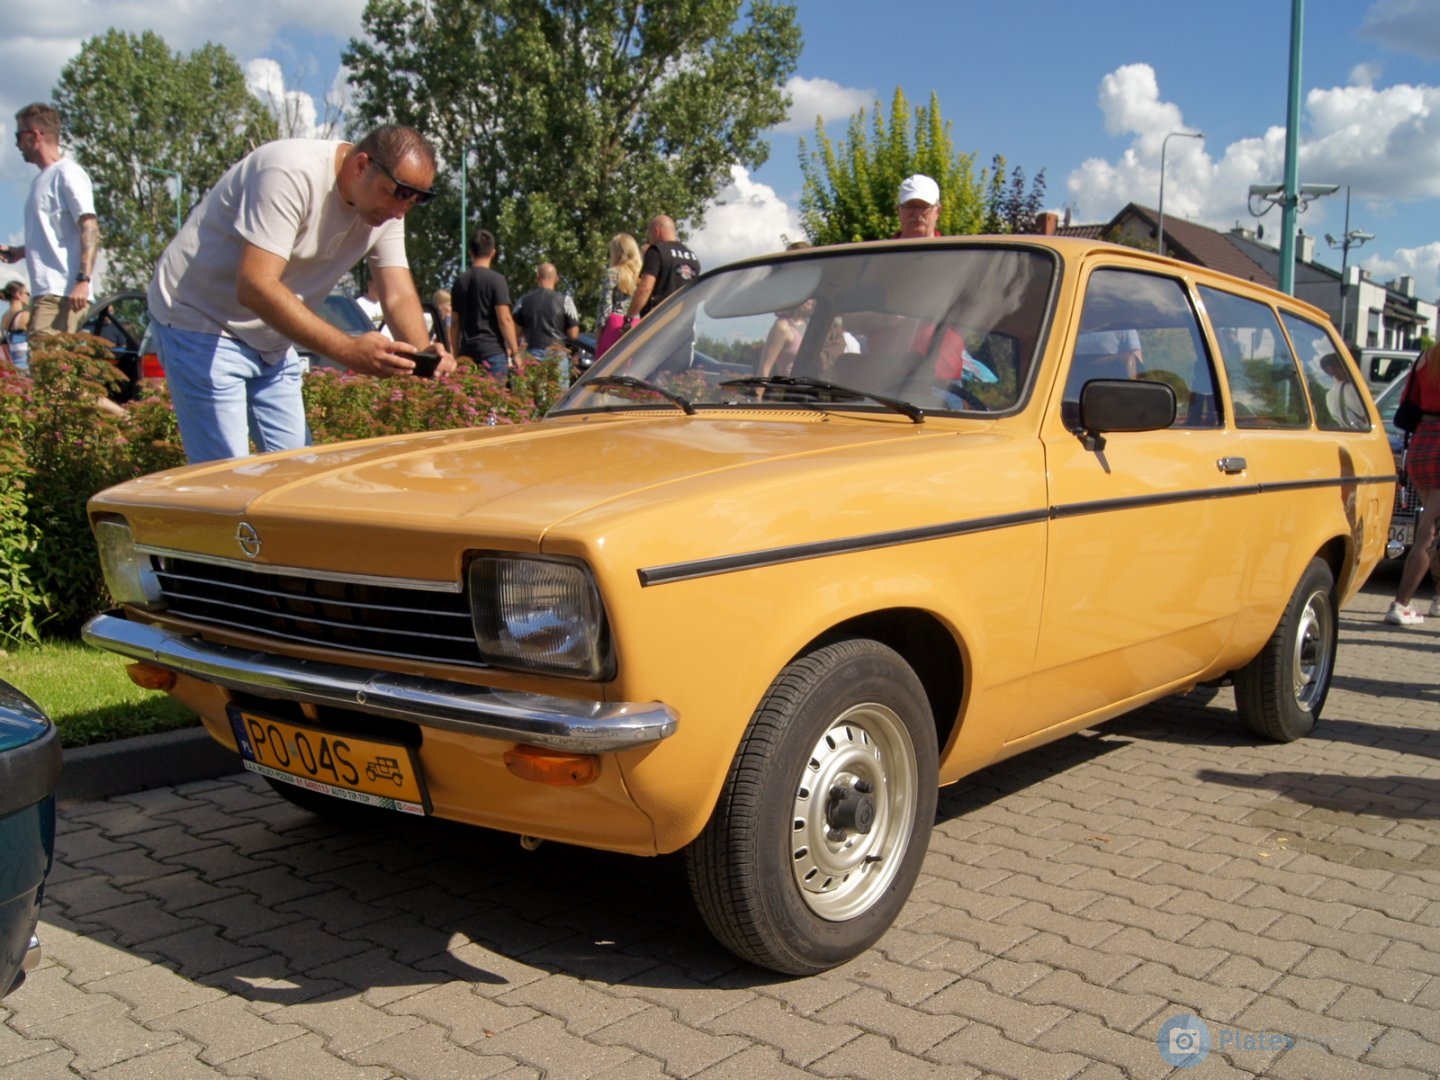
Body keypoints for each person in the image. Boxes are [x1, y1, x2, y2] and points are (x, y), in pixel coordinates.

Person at [148, 124, 452, 464]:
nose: (400, 212)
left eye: (414, 202)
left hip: (271, 340)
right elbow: (255, 284)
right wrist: (347, 350)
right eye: (395, 194)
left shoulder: (389, 209)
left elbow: (396, 293)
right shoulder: (289, 172)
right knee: (224, 482)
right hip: (201, 320)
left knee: (296, 477)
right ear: (362, 165)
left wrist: (423, 353)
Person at [1, 102, 99, 339]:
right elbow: (59, 235)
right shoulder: (42, 179)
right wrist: (20, 252)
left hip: (61, 294)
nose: (16, 144)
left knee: (49, 370)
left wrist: (83, 281)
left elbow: (90, 226)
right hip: (50, 293)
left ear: (34, 135)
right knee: (50, 370)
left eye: (19, 135)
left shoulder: (67, 173)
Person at [1386, 344, 1440, 626]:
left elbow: (1410, 401)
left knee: (1432, 529)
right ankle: (1400, 604)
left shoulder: (1426, 357)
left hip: (1421, 443)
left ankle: (1437, 600)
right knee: (1426, 534)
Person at [450, 229, 519, 382]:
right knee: (494, 402)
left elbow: (454, 323)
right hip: (492, 352)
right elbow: (504, 318)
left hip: (466, 353)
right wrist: (515, 352)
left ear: (470, 252)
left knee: (469, 402)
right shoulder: (496, 280)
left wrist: (455, 356)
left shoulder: (459, 282)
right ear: (493, 252)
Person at [513, 262, 580, 379]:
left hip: (531, 353)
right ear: (557, 278)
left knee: (532, 395)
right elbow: (573, 334)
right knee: (557, 395)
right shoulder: (565, 300)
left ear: (537, 277)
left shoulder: (523, 301)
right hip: (556, 354)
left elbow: (515, 331)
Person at [627, 215, 700, 319]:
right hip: (685, 320)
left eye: (649, 236)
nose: (649, 240)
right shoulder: (693, 258)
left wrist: (629, 316)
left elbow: (645, 288)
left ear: (656, 231)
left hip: (659, 322)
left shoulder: (657, 251)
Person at [596, 233, 642, 328]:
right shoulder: (640, 274)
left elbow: (605, 307)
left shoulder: (612, 273)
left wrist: (599, 333)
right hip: (636, 324)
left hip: (616, 323)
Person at [895, 174, 942, 240]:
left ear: (938, 212)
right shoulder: (880, 249)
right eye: (910, 206)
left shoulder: (953, 249)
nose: (917, 214)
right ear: (899, 211)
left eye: (924, 206)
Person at [2, 280, 29, 373]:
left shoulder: (4, 317)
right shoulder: (25, 315)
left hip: (10, 364)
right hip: (25, 365)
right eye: (27, 293)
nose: (28, 296)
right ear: (18, 294)